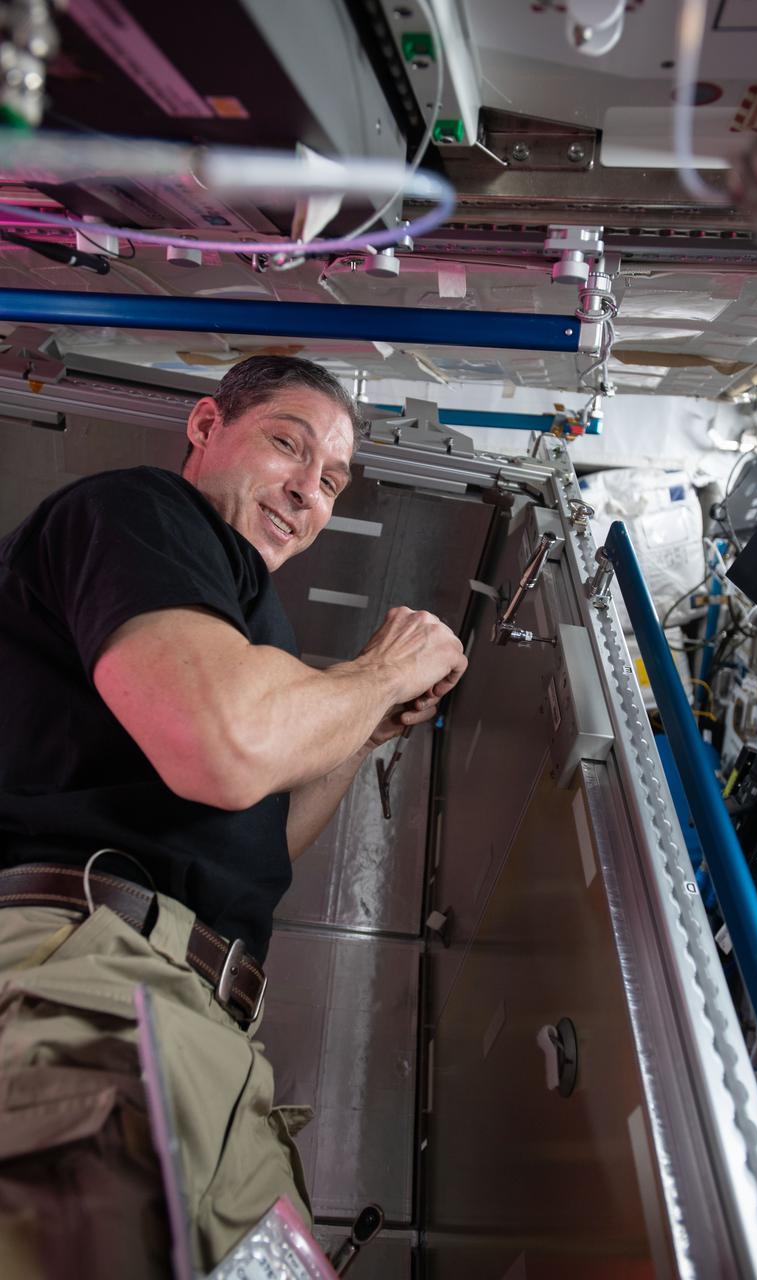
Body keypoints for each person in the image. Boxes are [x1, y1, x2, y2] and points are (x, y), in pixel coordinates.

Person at [0, 355, 467, 1279]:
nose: (307, 491)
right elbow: (224, 750)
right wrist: (381, 672)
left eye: (331, 480)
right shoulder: (142, 514)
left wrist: (365, 723)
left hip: (203, 1026)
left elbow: (254, 838)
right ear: (207, 426)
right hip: (93, 983)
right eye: (287, 446)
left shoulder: (237, 614)